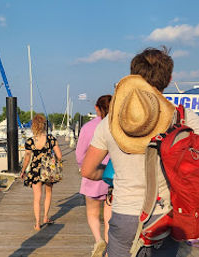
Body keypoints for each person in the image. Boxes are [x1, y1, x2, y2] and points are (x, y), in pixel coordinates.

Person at [81, 46, 199, 257]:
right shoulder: (185, 118)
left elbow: (87, 171)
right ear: (169, 78)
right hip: (166, 216)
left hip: (125, 213)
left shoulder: (111, 122)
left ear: (134, 77)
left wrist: (110, 176)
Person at [76, 95, 112, 257]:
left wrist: (81, 167)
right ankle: (109, 248)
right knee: (109, 216)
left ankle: (99, 241)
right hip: (114, 176)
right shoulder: (118, 125)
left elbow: (79, 154)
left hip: (94, 173)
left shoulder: (89, 127)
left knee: (92, 213)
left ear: (97, 108)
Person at [20, 114, 62, 231]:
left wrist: (23, 171)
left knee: (37, 198)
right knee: (48, 193)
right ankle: (46, 217)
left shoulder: (30, 141)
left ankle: (37, 224)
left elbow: (27, 158)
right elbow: (59, 156)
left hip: (35, 170)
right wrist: (56, 162)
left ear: (33, 125)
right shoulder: (51, 139)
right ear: (44, 125)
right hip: (48, 170)